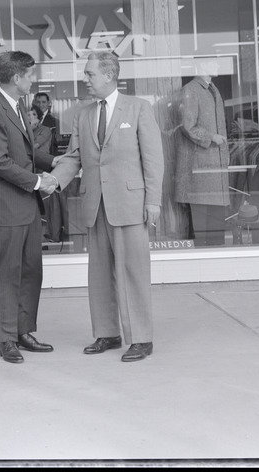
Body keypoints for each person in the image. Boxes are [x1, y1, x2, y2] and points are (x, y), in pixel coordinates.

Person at [52, 50, 165, 363]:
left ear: (109, 75)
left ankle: (141, 338)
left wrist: (153, 200)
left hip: (130, 203)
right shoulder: (83, 114)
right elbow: (74, 157)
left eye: (90, 74)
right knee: (99, 274)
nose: (85, 79)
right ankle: (107, 333)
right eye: (86, 74)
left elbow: (154, 159)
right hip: (95, 203)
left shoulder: (139, 109)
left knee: (133, 273)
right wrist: (53, 181)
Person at [0, 50, 59, 364]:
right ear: (16, 78)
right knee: (9, 273)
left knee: (31, 272)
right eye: (29, 75)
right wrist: (39, 182)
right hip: (8, 207)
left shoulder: (18, 105)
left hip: (25, 207)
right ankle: (6, 338)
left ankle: (24, 331)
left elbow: (26, 153)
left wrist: (57, 162)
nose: (32, 80)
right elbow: (0, 162)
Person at [174, 60, 230, 246]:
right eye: (213, 62)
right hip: (201, 167)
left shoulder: (212, 89)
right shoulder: (191, 90)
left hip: (214, 166)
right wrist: (211, 137)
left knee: (215, 222)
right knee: (202, 223)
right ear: (203, 65)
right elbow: (187, 125)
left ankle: (216, 258)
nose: (218, 65)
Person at [29, 104, 67, 245]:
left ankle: (50, 233)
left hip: (41, 169)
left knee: (46, 205)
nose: (30, 118)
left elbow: (32, 147)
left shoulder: (44, 130)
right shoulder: (24, 131)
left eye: (33, 115)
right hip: (27, 170)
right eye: (27, 115)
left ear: (38, 118)